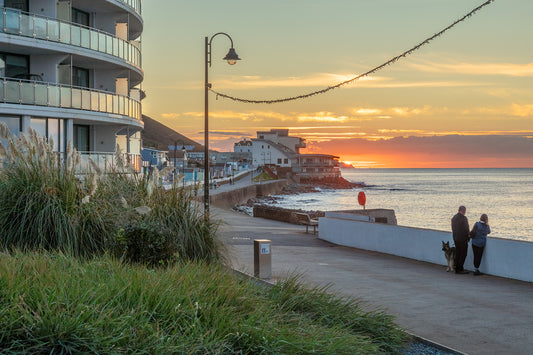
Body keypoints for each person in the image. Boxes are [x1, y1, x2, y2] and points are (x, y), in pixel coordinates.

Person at [451, 205, 470, 274]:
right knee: (463, 254)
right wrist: (468, 236)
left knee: (458, 253)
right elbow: (466, 229)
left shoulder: (454, 218)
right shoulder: (464, 218)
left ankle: (456, 267)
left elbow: (453, 229)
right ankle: (460, 269)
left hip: (456, 238)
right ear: (464, 211)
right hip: (463, 239)